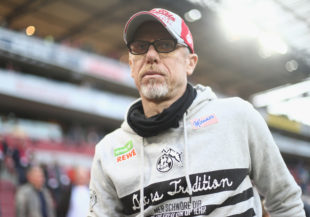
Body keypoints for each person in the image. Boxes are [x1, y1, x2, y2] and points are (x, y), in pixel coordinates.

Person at [88, 8, 306, 217]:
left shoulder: (237, 116)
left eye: (165, 45)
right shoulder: (108, 151)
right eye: (140, 46)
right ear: (131, 65)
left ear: (190, 63)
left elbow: (285, 201)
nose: (151, 55)